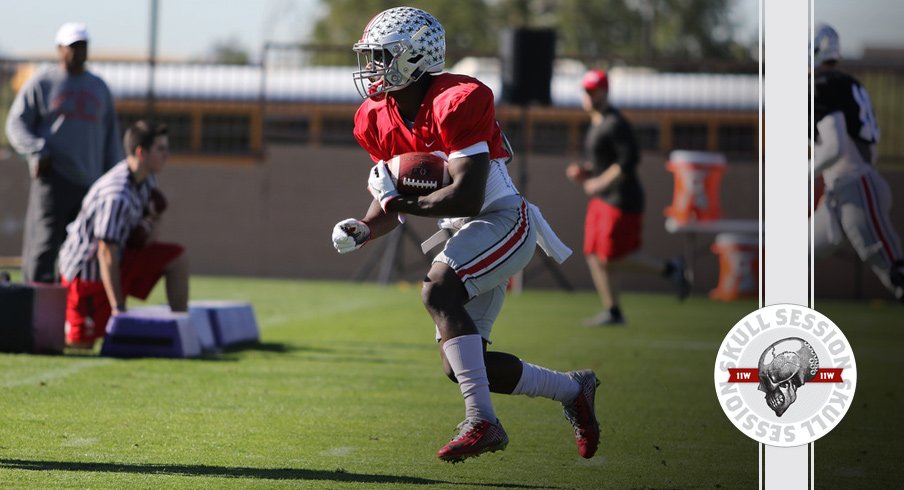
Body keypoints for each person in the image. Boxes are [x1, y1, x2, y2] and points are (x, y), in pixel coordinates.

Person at [331, 7, 601, 463]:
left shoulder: (459, 98)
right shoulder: (374, 117)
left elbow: (468, 196)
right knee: (461, 367)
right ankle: (573, 389)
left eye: (381, 56)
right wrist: (363, 227)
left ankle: (483, 422)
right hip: (463, 231)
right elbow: (390, 208)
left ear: (413, 56)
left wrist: (399, 204)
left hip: (502, 220)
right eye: (370, 56)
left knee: (437, 291)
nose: (371, 67)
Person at [566, 69, 690, 326]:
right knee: (593, 254)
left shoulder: (615, 123)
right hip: (602, 199)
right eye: (585, 91)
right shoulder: (597, 122)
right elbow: (605, 161)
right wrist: (586, 171)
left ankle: (670, 269)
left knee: (613, 257)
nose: (588, 96)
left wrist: (598, 182)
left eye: (593, 91)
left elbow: (628, 161)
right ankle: (613, 310)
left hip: (621, 198)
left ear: (604, 92)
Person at [5, 22, 123, 284]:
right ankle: (33, 310)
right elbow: (16, 124)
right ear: (60, 49)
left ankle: (71, 313)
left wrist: (113, 177)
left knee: (82, 250)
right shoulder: (43, 82)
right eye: (72, 46)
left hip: (91, 184)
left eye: (82, 46)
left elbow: (111, 138)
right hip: (53, 179)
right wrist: (37, 149)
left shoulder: (99, 87)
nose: (78, 51)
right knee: (45, 245)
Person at [57, 120, 188, 349]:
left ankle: (182, 328)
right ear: (141, 152)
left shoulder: (147, 179)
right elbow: (105, 251)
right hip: (87, 274)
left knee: (177, 257)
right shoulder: (116, 194)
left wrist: (152, 222)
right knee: (80, 344)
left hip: (118, 260)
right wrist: (117, 306)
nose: (167, 155)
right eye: (161, 149)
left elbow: (148, 230)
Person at [812, 24, 904, 301]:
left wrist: (802, 173)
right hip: (839, 192)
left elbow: (835, 146)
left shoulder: (821, 86)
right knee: (796, 256)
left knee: (895, 273)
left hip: (857, 188)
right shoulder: (846, 83)